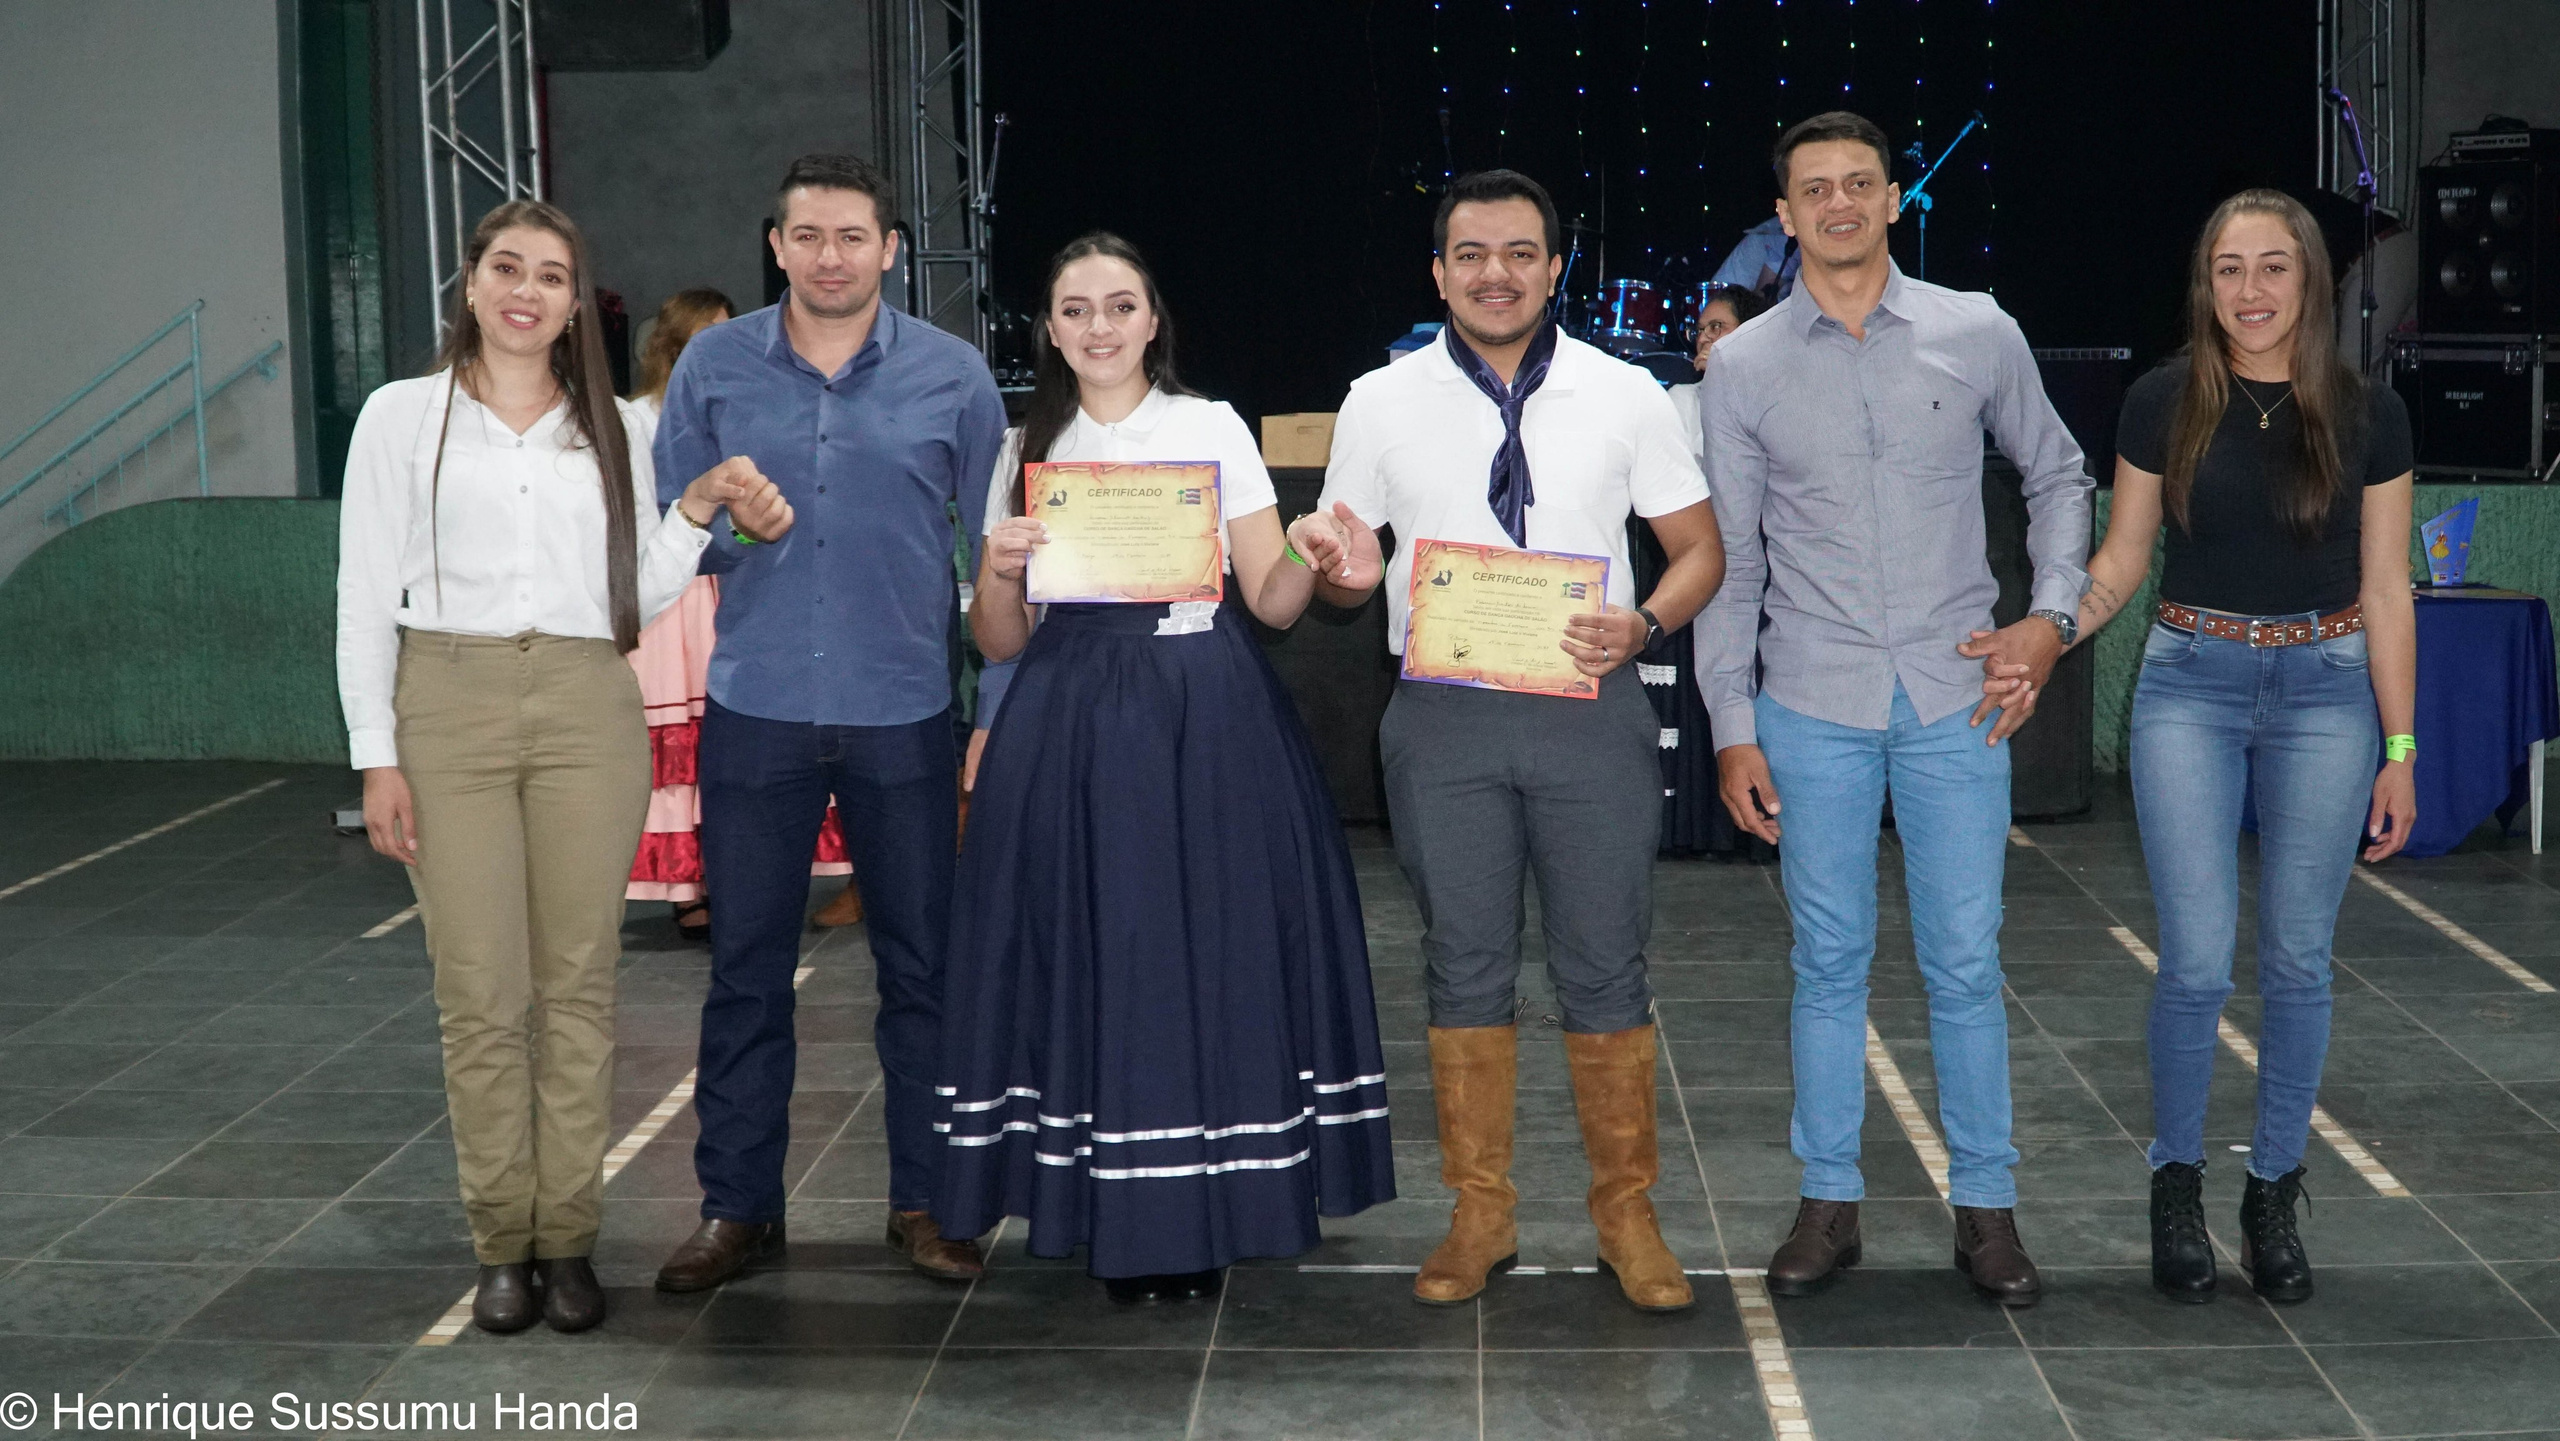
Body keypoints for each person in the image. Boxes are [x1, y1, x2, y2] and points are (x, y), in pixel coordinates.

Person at [336, 200, 792, 1334]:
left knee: (581, 985)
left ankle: (569, 1237)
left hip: (590, 702)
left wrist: (695, 511)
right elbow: (362, 595)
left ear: (577, 302)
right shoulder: (401, 416)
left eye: (551, 275)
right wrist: (375, 755)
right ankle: (504, 1240)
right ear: (472, 281)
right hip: (447, 701)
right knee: (480, 994)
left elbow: (633, 593)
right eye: (507, 267)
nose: (526, 291)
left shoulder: (616, 428)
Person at [932, 234, 1397, 1302]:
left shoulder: (1208, 425)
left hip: (1205, 712)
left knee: (1206, 951)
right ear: (1050, 331)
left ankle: (1209, 1208)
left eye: (1119, 306)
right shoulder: (1023, 445)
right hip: (1070, 717)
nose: (1099, 326)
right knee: (1094, 949)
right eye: (1076, 309)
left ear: (1152, 322)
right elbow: (1000, 640)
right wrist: (996, 571)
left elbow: (1270, 600)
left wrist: (1319, 558)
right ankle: (1111, 1206)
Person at [1299, 168, 1726, 1314]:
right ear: (1438, 272)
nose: (1497, 274)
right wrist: (1342, 574)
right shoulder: (1377, 399)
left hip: (1592, 713)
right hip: (1441, 719)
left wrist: (1644, 622)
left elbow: (1700, 551)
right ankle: (1478, 1214)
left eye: (1521, 253)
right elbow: (1346, 576)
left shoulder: (1626, 393)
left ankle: (1627, 1217)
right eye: (1473, 254)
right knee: (1463, 961)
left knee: (1605, 964)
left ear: (1555, 268)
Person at [1981, 188, 2414, 1304]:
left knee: (2299, 959)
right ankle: (2175, 1185)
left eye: (2273, 267)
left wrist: (2401, 747)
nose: (2250, 290)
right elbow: (2122, 558)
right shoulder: (2161, 400)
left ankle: (2272, 1190)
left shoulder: (2369, 411)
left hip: (2327, 692)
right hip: (2190, 685)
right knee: (2195, 962)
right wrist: (2049, 630)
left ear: (2309, 280)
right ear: (2205, 283)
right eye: (2229, 268)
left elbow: (2385, 588)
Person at [1694, 111, 2092, 1308]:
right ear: (1783, 215)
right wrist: (1730, 726)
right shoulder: (1744, 367)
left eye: (1858, 182)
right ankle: (1828, 1203)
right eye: (1814, 188)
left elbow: (2058, 473)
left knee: (1965, 964)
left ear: (1892, 199)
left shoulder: (1977, 330)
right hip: (1808, 702)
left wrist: (2051, 614)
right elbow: (1731, 563)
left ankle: (1987, 1212)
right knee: (1827, 963)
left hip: (1953, 701)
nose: (1838, 203)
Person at [649, 154, 1008, 1293]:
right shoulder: (713, 367)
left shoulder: (955, 376)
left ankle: (929, 1202)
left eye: (853, 236)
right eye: (807, 236)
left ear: (890, 249)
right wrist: (730, 527)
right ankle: (738, 1208)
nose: (830, 256)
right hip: (755, 710)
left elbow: (1001, 552)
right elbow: (672, 533)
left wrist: (995, 707)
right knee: (744, 973)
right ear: (777, 246)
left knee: (923, 973)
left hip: (906, 714)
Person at [621, 288, 858, 940]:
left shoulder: (745, 404)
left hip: (733, 583)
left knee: (733, 743)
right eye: (704, 336)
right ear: (673, 346)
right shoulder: (637, 418)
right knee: (679, 743)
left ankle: (740, 880)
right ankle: (688, 885)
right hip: (669, 594)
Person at [1667, 284, 1772, 466]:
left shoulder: (1774, 400)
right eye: (1699, 330)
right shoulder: (1683, 399)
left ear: (1749, 332)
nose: (1702, 339)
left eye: (1715, 327)